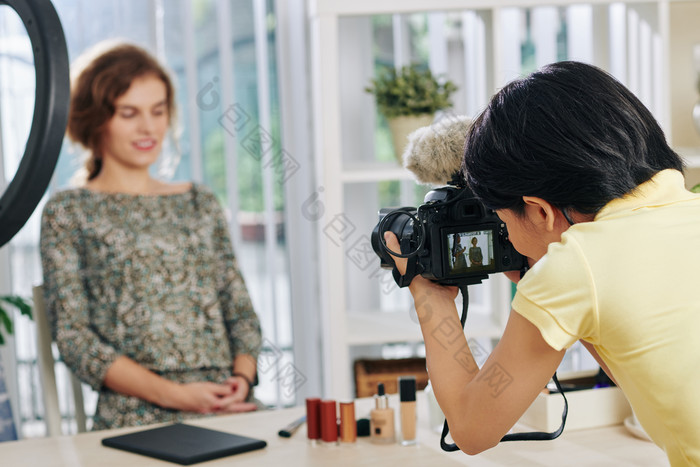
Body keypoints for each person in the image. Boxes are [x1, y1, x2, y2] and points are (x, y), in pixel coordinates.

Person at [385, 61, 700, 466]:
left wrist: (430, 297)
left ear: (538, 211)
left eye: (499, 219)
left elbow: (471, 428)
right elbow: (652, 373)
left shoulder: (576, 267)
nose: (503, 234)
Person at [40, 42, 263, 430]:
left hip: (228, 406)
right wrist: (177, 396)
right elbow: (75, 338)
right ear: (96, 120)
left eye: (158, 111)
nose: (148, 127)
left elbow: (240, 311)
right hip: (135, 413)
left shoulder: (199, 202)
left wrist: (241, 381)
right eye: (129, 113)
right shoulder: (69, 212)